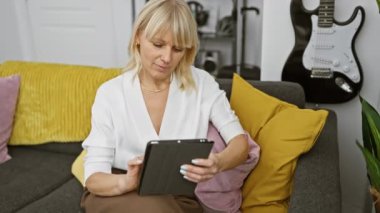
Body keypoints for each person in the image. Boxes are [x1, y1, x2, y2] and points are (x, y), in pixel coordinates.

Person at [80, 0, 249, 212]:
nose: (167, 58)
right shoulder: (110, 93)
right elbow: (94, 178)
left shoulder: (202, 83)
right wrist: (127, 182)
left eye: (177, 49)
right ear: (138, 36)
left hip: (176, 196)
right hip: (115, 190)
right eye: (158, 45)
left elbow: (239, 142)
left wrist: (219, 162)